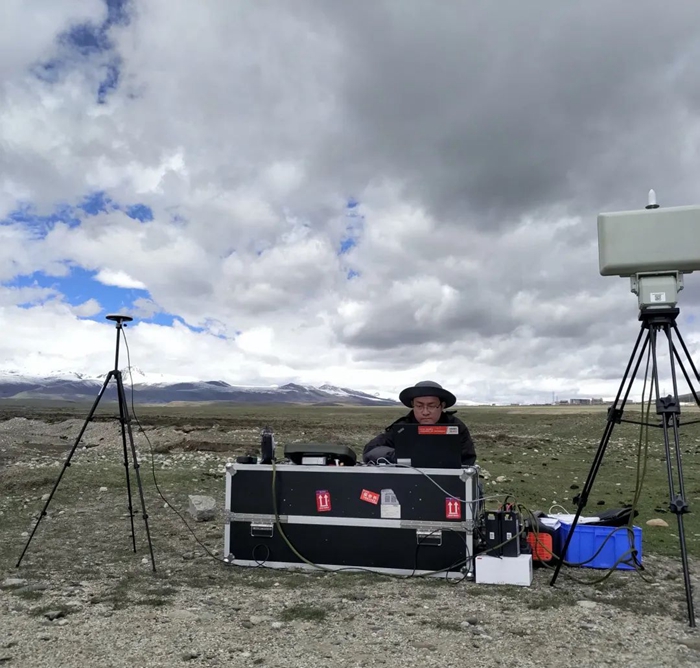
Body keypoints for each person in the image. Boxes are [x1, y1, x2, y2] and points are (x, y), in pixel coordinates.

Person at [363, 380, 477, 465]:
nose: (425, 412)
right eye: (419, 406)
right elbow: (371, 450)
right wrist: (398, 455)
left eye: (431, 406)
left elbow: (468, 460)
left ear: (442, 406)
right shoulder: (402, 427)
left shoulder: (455, 426)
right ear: (413, 405)